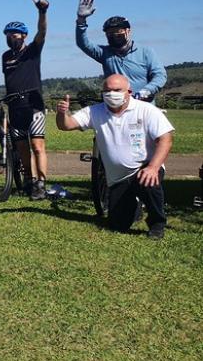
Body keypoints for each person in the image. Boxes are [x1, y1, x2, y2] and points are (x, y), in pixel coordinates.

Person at [56, 74, 174, 239]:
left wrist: (153, 167)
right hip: (117, 178)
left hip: (144, 167)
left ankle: (157, 223)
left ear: (129, 92)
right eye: (107, 90)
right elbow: (66, 125)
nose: (111, 94)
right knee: (117, 225)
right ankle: (135, 206)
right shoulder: (95, 111)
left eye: (117, 90)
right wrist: (62, 113)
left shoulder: (147, 110)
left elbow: (165, 139)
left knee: (148, 182)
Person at [74, 0, 167, 102]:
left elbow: (160, 75)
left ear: (128, 31)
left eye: (118, 31)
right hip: (114, 107)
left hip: (143, 106)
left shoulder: (146, 52)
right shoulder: (104, 53)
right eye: (110, 33)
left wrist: (147, 91)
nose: (115, 35)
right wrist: (81, 20)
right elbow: (83, 44)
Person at [2, 0, 49, 200]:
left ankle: (41, 183)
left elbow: (42, 32)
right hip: (14, 107)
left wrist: (42, 12)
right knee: (22, 148)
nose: (12, 37)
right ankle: (29, 180)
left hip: (33, 105)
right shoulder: (5, 56)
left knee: (37, 147)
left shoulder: (32, 50)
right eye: (8, 34)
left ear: (24, 36)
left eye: (15, 34)